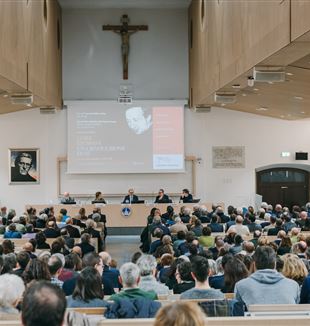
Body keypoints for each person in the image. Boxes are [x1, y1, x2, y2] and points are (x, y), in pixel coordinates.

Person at [234, 246, 300, 308]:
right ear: (275, 264)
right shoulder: (293, 285)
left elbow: (238, 312)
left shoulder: (241, 285)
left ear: (254, 265)